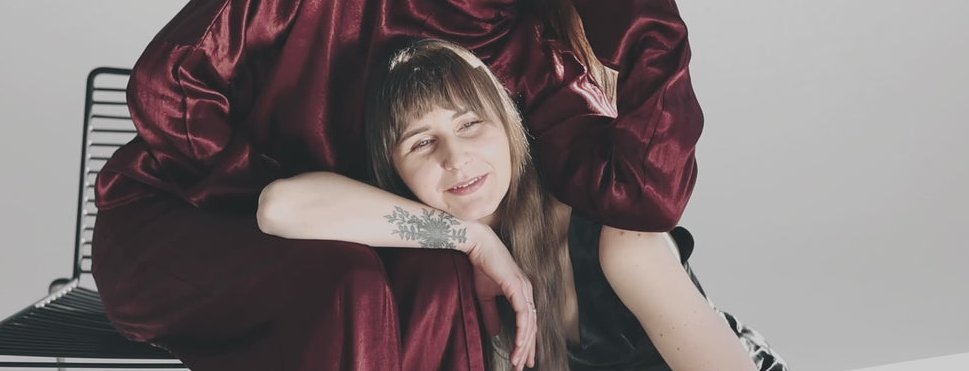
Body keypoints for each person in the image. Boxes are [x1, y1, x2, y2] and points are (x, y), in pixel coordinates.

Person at [92, 0, 702, 371]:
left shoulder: (536, 59)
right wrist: (296, 201)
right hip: (185, 222)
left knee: (444, 288)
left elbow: (643, 197)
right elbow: (169, 86)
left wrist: (646, 18)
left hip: (365, 246)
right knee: (351, 282)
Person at [271, 38, 786, 370]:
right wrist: (471, 237)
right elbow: (280, 207)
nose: (455, 158)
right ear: (395, 172)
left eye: (470, 124)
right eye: (421, 142)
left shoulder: (618, 241)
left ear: (509, 127)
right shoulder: (447, 260)